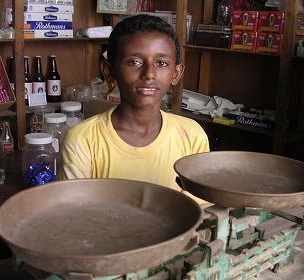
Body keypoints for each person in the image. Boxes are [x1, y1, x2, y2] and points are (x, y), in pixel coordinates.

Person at [60, 14, 209, 204]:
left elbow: (197, 211)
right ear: (108, 70)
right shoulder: (84, 139)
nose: (149, 74)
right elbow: (75, 213)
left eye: (161, 63)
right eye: (134, 62)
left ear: (176, 73)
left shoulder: (192, 135)